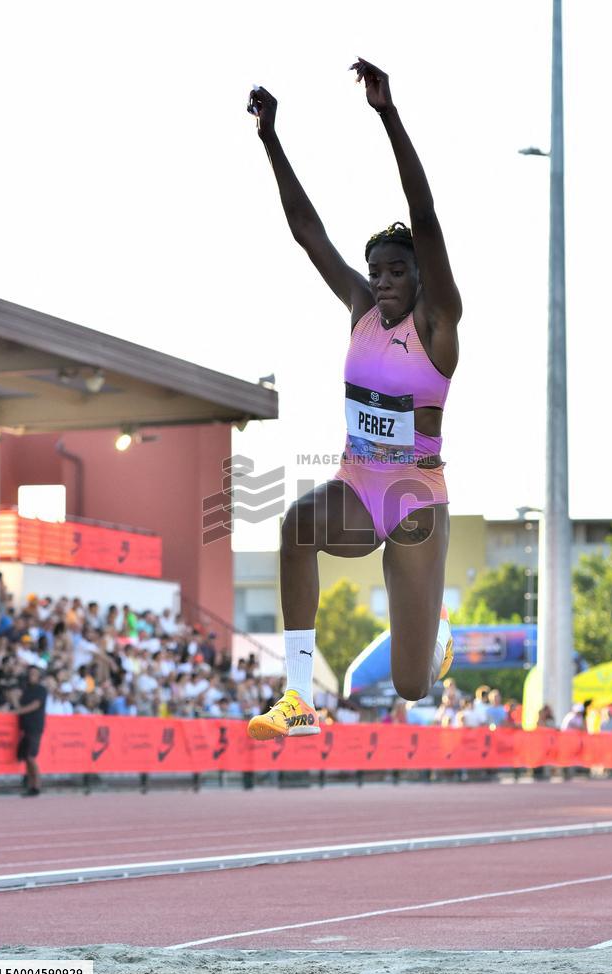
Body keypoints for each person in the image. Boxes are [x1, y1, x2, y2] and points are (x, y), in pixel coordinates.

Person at [246, 58, 461, 741]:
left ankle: (436, 640)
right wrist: (271, 140)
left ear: (422, 276)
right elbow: (308, 233)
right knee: (295, 528)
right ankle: (299, 698)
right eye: (376, 272)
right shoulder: (362, 309)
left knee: (410, 685)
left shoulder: (439, 325)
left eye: (397, 271)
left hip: (415, 501)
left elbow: (424, 215)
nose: (383, 281)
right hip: (358, 484)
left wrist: (386, 114)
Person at [12, 665, 47, 797]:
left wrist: (17, 711)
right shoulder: (25, 690)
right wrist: (14, 698)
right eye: (30, 673)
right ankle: (31, 785)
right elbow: (19, 705)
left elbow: (35, 705)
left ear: (38, 676)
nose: (31, 675)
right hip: (25, 727)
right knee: (26, 757)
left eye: (34, 673)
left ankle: (37, 785)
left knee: (31, 756)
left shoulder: (41, 689)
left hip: (35, 727)